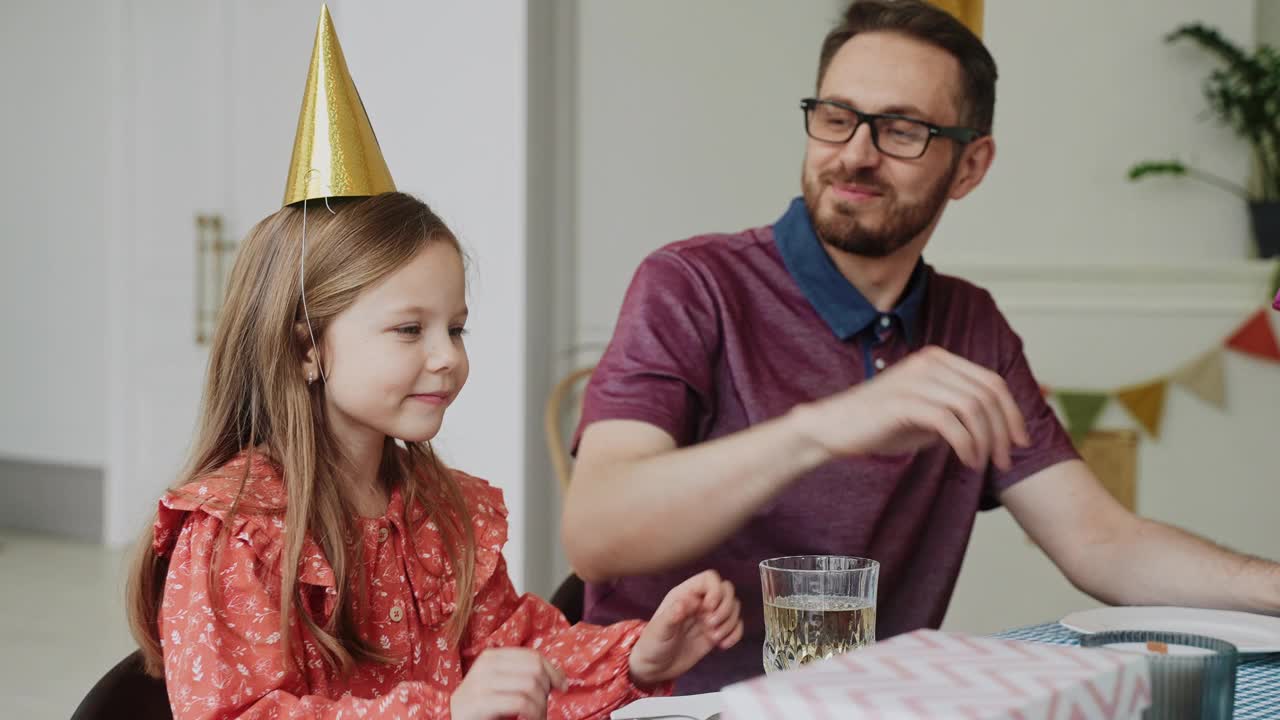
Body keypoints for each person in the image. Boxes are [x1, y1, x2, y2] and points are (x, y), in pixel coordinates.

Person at [563, 0, 1280, 694]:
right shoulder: (692, 283)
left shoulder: (971, 325)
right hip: (675, 706)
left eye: (902, 130)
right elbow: (597, 532)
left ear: (970, 166)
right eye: (836, 119)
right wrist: (820, 427)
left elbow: (1102, 544)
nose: (856, 155)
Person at [124, 9, 742, 720]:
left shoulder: (439, 512)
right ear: (305, 346)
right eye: (408, 330)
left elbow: (518, 653)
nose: (448, 358)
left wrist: (637, 657)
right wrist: (445, 713)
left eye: (457, 328)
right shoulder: (237, 530)